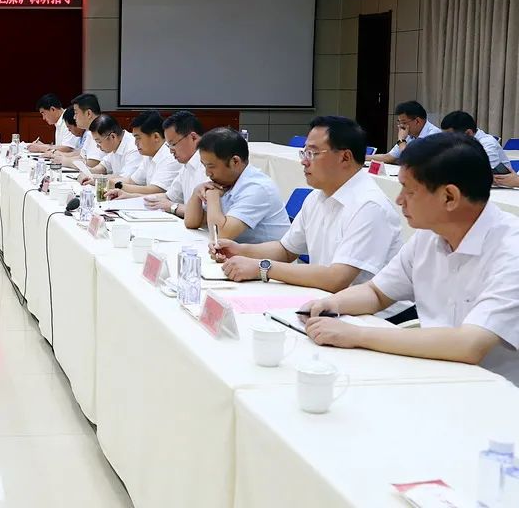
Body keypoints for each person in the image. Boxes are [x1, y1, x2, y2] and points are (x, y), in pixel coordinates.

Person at [302, 133, 519, 386]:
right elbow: (377, 293)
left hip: (496, 391)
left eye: (409, 190)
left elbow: (469, 345)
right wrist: (331, 304)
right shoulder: (429, 235)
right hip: (432, 373)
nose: (399, 199)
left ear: (449, 197)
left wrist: (357, 335)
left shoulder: (511, 251)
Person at [210, 117, 408, 319]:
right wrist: (240, 250)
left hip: (378, 318)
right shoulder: (317, 197)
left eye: (312, 153)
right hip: (328, 304)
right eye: (304, 152)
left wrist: (263, 268)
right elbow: (286, 250)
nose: (304, 161)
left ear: (345, 157)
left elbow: (337, 279)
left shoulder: (369, 205)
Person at [182, 127, 290, 243]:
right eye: (204, 166)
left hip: (266, 254)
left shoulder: (257, 188)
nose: (207, 173)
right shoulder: (227, 182)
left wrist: (212, 196)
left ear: (235, 162)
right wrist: (196, 193)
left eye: (211, 166)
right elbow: (191, 222)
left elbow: (220, 235)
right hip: (242, 251)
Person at [141, 110, 209, 218]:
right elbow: (169, 197)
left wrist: (173, 207)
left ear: (193, 137)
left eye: (173, 144)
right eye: (168, 145)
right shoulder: (186, 165)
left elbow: (206, 214)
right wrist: (128, 196)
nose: (171, 150)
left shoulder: (209, 166)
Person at [105, 110, 182, 200]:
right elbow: (132, 181)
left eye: (138, 138)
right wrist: (105, 182)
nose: (135, 143)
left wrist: (117, 186)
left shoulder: (170, 155)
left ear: (156, 137)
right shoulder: (149, 155)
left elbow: (156, 190)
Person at [369, 100, 441, 164]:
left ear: (417, 121)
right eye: (399, 122)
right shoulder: (409, 135)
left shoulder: (434, 135)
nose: (400, 126)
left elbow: (412, 161)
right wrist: (364, 157)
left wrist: (401, 141)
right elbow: (389, 157)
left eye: (404, 122)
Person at [440, 110, 511, 172]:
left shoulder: (488, 144)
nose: (447, 140)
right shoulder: (461, 144)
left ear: (468, 133)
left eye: (450, 136)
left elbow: (485, 174)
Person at [78, 114, 143, 182]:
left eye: (99, 142)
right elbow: (103, 167)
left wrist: (96, 178)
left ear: (112, 137)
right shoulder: (115, 145)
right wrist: (88, 172)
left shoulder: (134, 148)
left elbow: (124, 179)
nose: (97, 146)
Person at [52, 93, 104, 168]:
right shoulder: (90, 132)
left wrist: (64, 161)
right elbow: (82, 157)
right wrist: (62, 157)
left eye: (76, 113)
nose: (74, 117)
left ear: (88, 113)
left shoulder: (100, 129)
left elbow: (92, 163)